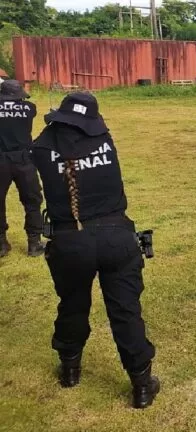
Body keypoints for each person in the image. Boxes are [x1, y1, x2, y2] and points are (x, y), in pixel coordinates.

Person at [32, 92, 160, 409]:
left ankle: (70, 369)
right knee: (126, 311)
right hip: (117, 236)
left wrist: (54, 120)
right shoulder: (104, 139)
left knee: (73, 306)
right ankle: (141, 385)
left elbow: (42, 142)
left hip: (69, 241)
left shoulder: (43, 145)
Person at [0, 80, 45, 258]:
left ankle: (1, 244)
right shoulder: (29, 108)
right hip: (24, 159)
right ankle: (34, 243)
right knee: (32, 200)